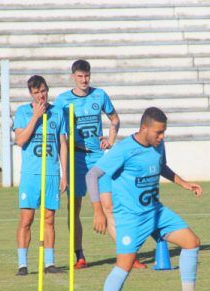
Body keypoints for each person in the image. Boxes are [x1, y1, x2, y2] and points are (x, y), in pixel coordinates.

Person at [85, 107, 210, 291]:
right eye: (158, 132)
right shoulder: (124, 149)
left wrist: (183, 183)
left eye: (164, 132)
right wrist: (98, 210)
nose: (162, 137)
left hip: (156, 212)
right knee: (124, 266)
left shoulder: (158, 145)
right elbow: (92, 175)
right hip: (131, 218)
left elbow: (161, 167)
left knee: (191, 242)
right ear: (143, 128)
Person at [54, 59, 147, 269]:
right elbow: (58, 131)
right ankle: (79, 255)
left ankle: (127, 256)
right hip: (76, 158)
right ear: (73, 77)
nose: (84, 80)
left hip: (98, 157)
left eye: (87, 76)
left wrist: (110, 140)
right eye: (80, 76)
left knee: (108, 205)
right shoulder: (62, 100)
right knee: (74, 207)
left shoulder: (99, 95)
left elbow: (115, 119)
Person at [14, 75, 67, 275]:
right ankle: (22, 264)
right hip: (31, 174)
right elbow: (20, 141)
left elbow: (62, 144)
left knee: (49, 219)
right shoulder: (22, 113)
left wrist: (65, 174)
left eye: (43, 91)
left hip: (51, 174)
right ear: (31, 94)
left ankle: (49, 263)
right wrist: (36, 117)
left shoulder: (58, 113)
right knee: (26, 219)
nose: (41, 95)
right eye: (36, 93)